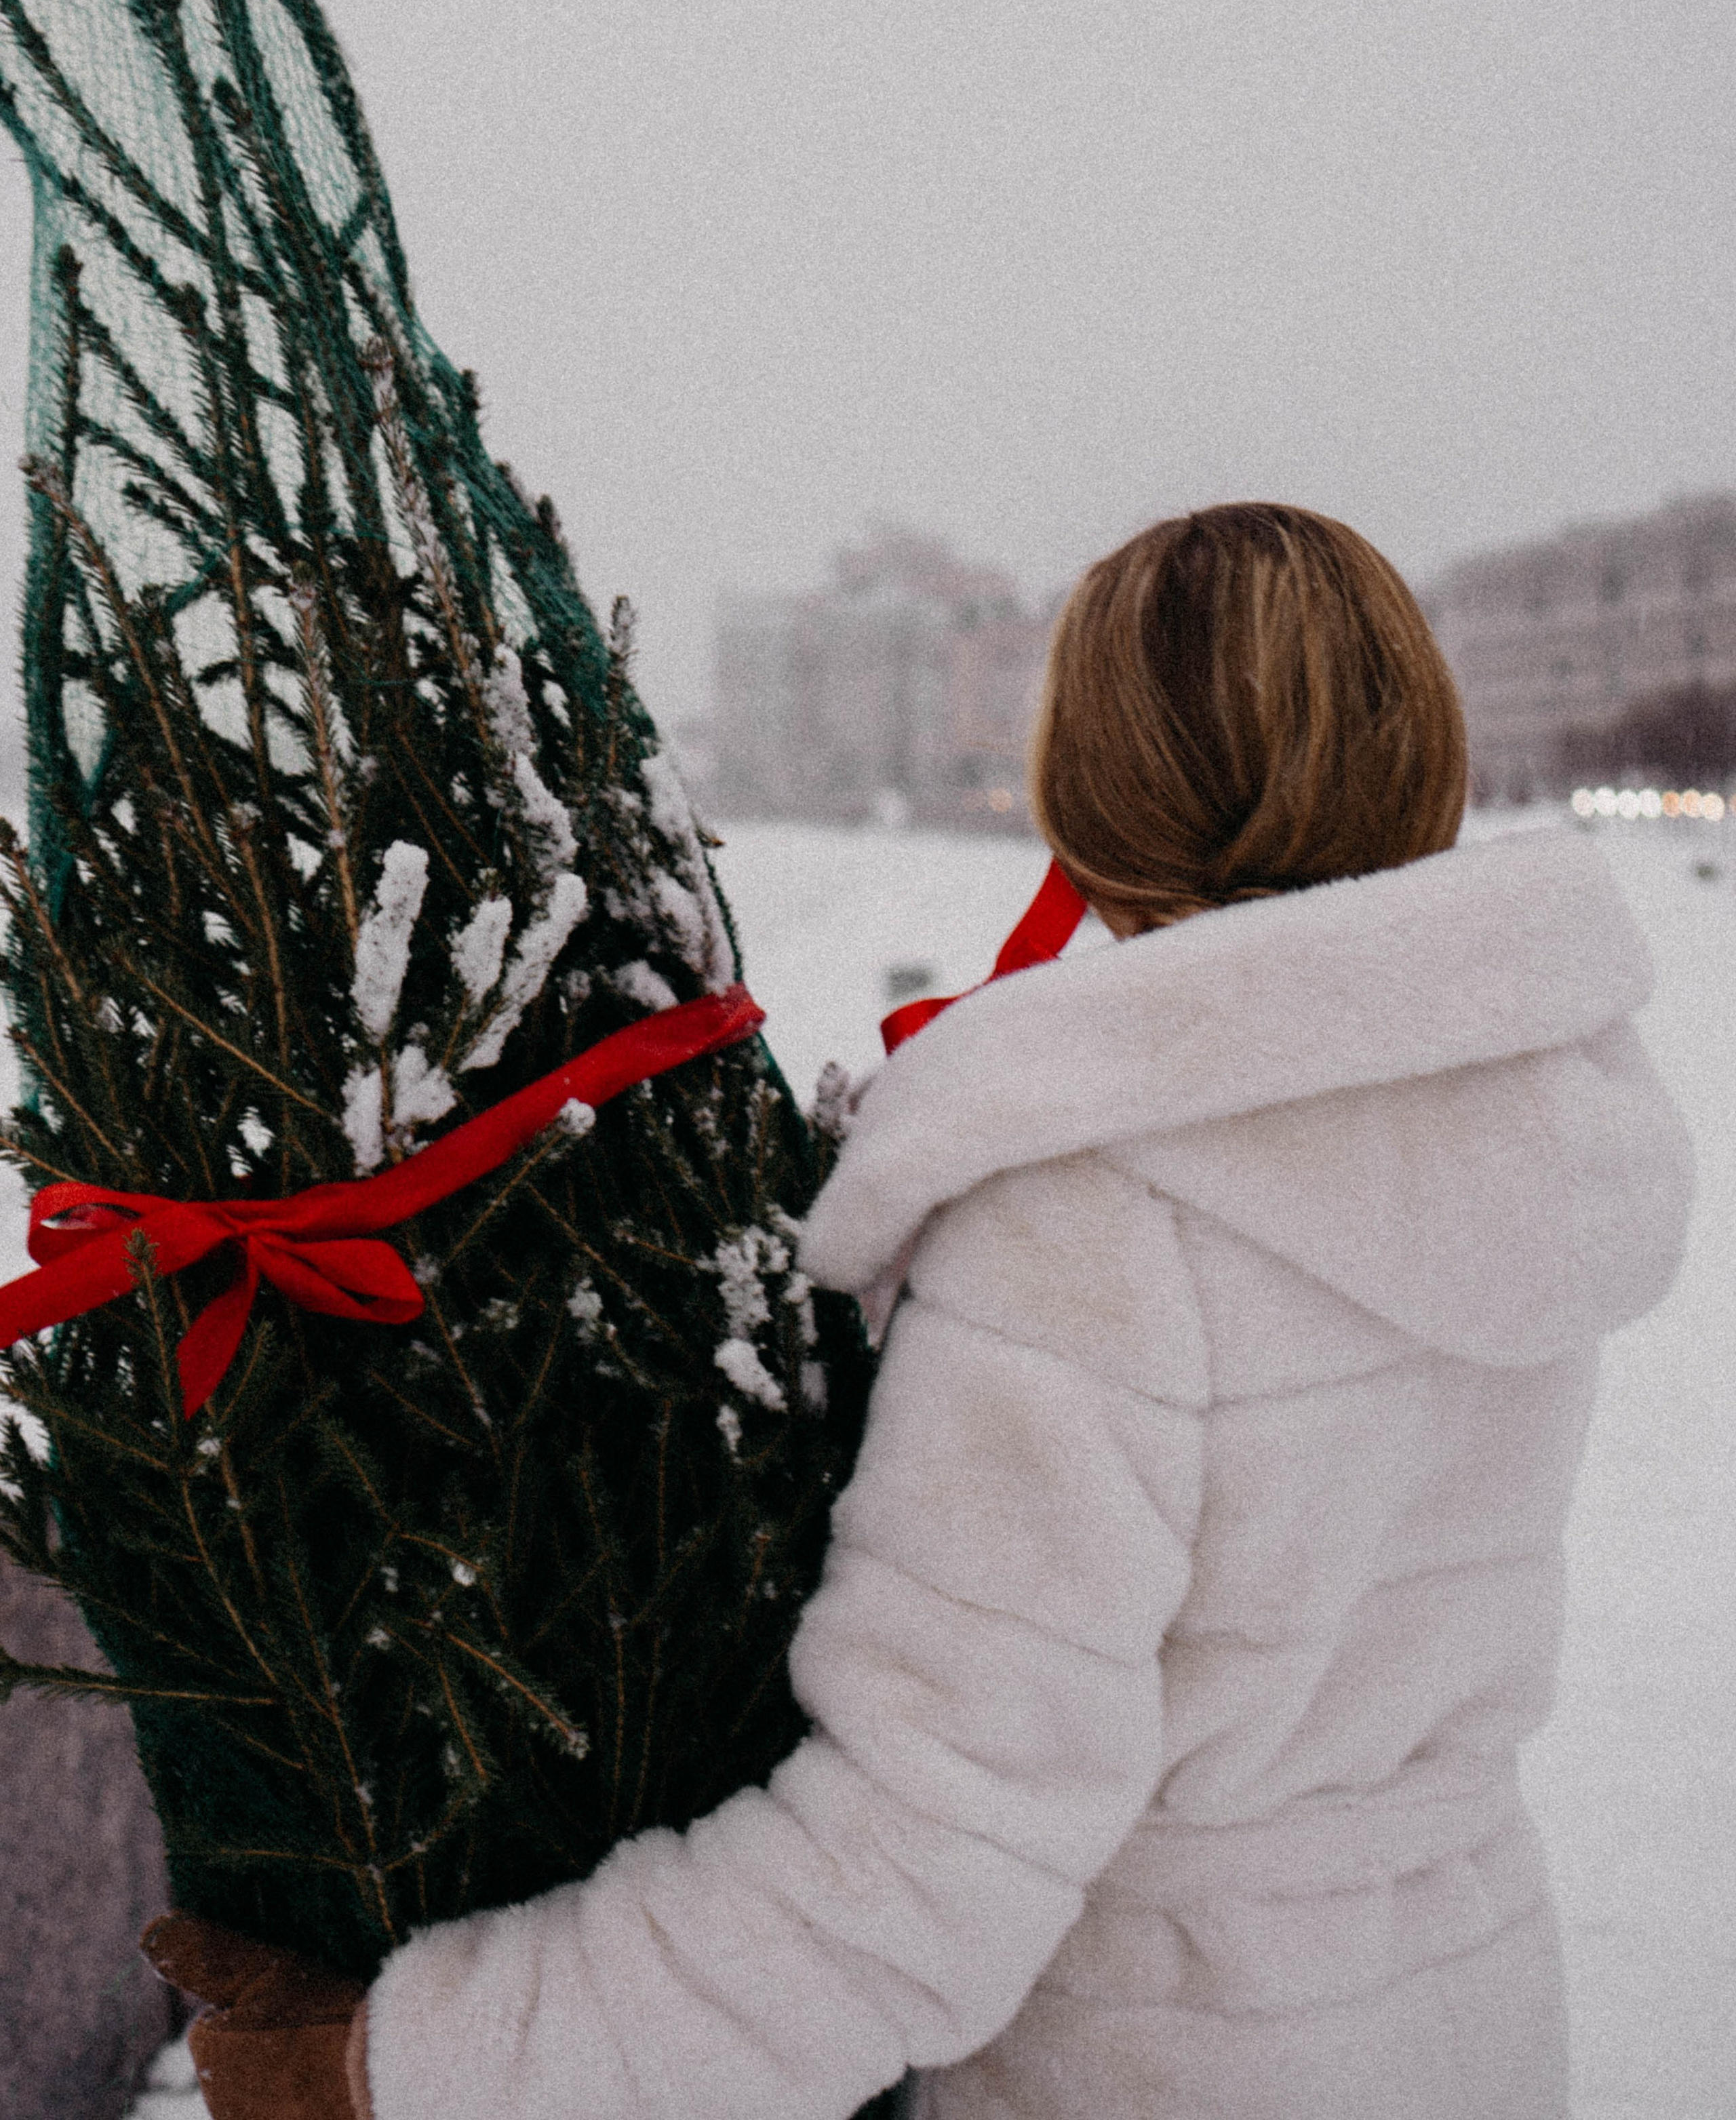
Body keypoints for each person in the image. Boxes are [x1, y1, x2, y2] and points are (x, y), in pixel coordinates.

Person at [148, 503, 1693, 2120]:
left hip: (1153, 2064)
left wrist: (405, 2068)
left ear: (1088, 784)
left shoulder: (1098, 1223)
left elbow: (914, 1869)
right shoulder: (1504, 1137)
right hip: (1454, 2028)